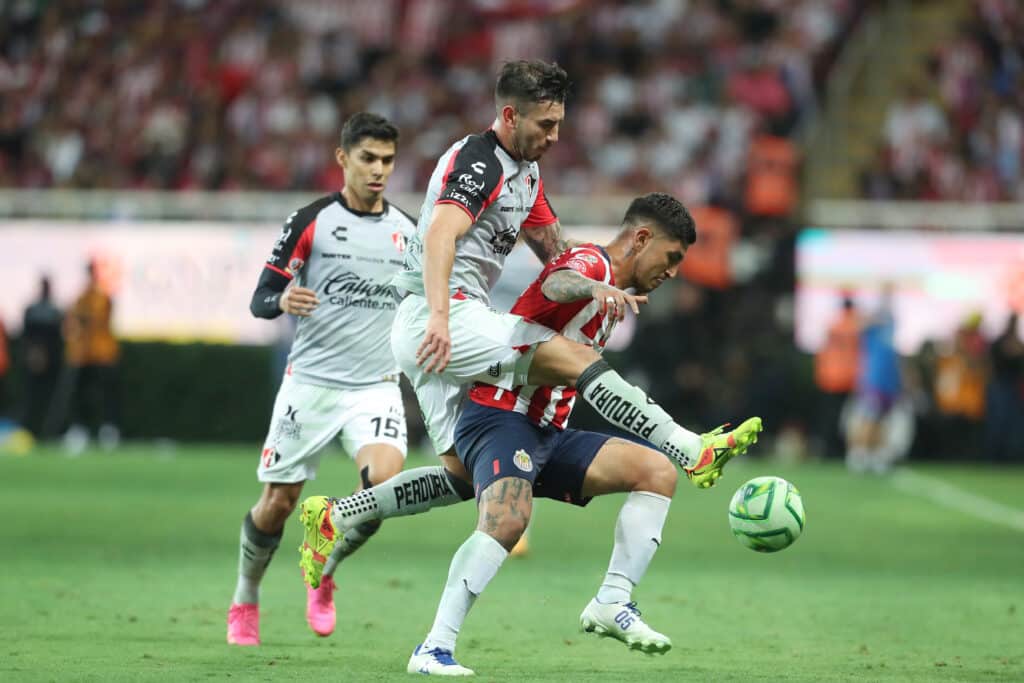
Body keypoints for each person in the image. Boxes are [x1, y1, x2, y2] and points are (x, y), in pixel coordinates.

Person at [300, 194, 762, 671]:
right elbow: (559, 280)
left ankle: (612, 600)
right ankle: (433, 648)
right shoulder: (592, 265)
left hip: (548, 431)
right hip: (501, 416)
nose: (673, 271)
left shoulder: (614, 286)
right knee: (507, 518)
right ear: (642, 239)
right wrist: (590, 286)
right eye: (671, 257)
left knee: (653, 472)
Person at [226, 112, 422, 646]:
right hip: (311, 383)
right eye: (368, 158)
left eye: (387, 160)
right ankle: (246, 596)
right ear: (343, 159)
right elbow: (261, 298)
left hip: (376, 386)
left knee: (382, 491)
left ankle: (325, 570)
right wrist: (284, 298)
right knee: (278, 504)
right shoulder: (310, 220)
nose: (379, 170)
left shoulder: (409, 232)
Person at [58, 260, 120, 454]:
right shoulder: (82, 296)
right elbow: (72, 320)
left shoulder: (101, 296)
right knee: (81, 394)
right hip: (84, 354)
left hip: (102, 353)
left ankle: (108, 430)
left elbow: (100, 317)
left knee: (106, 394)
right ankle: (80, 430)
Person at [814, 293, 860, 458]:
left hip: (830, 378)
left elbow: (823, 352)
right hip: (849, 379)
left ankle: (827, 450)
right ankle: (841, 450)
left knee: (829, 417)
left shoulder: (833, 325)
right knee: (847, 419)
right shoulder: (856, 326)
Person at [18, 276, 63, 437]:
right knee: (33, 399)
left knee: (46, 399)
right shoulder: (39, 311)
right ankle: (30, 431)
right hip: (36, 362)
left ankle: (45, 432)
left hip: (49, 362)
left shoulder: (53, 311)